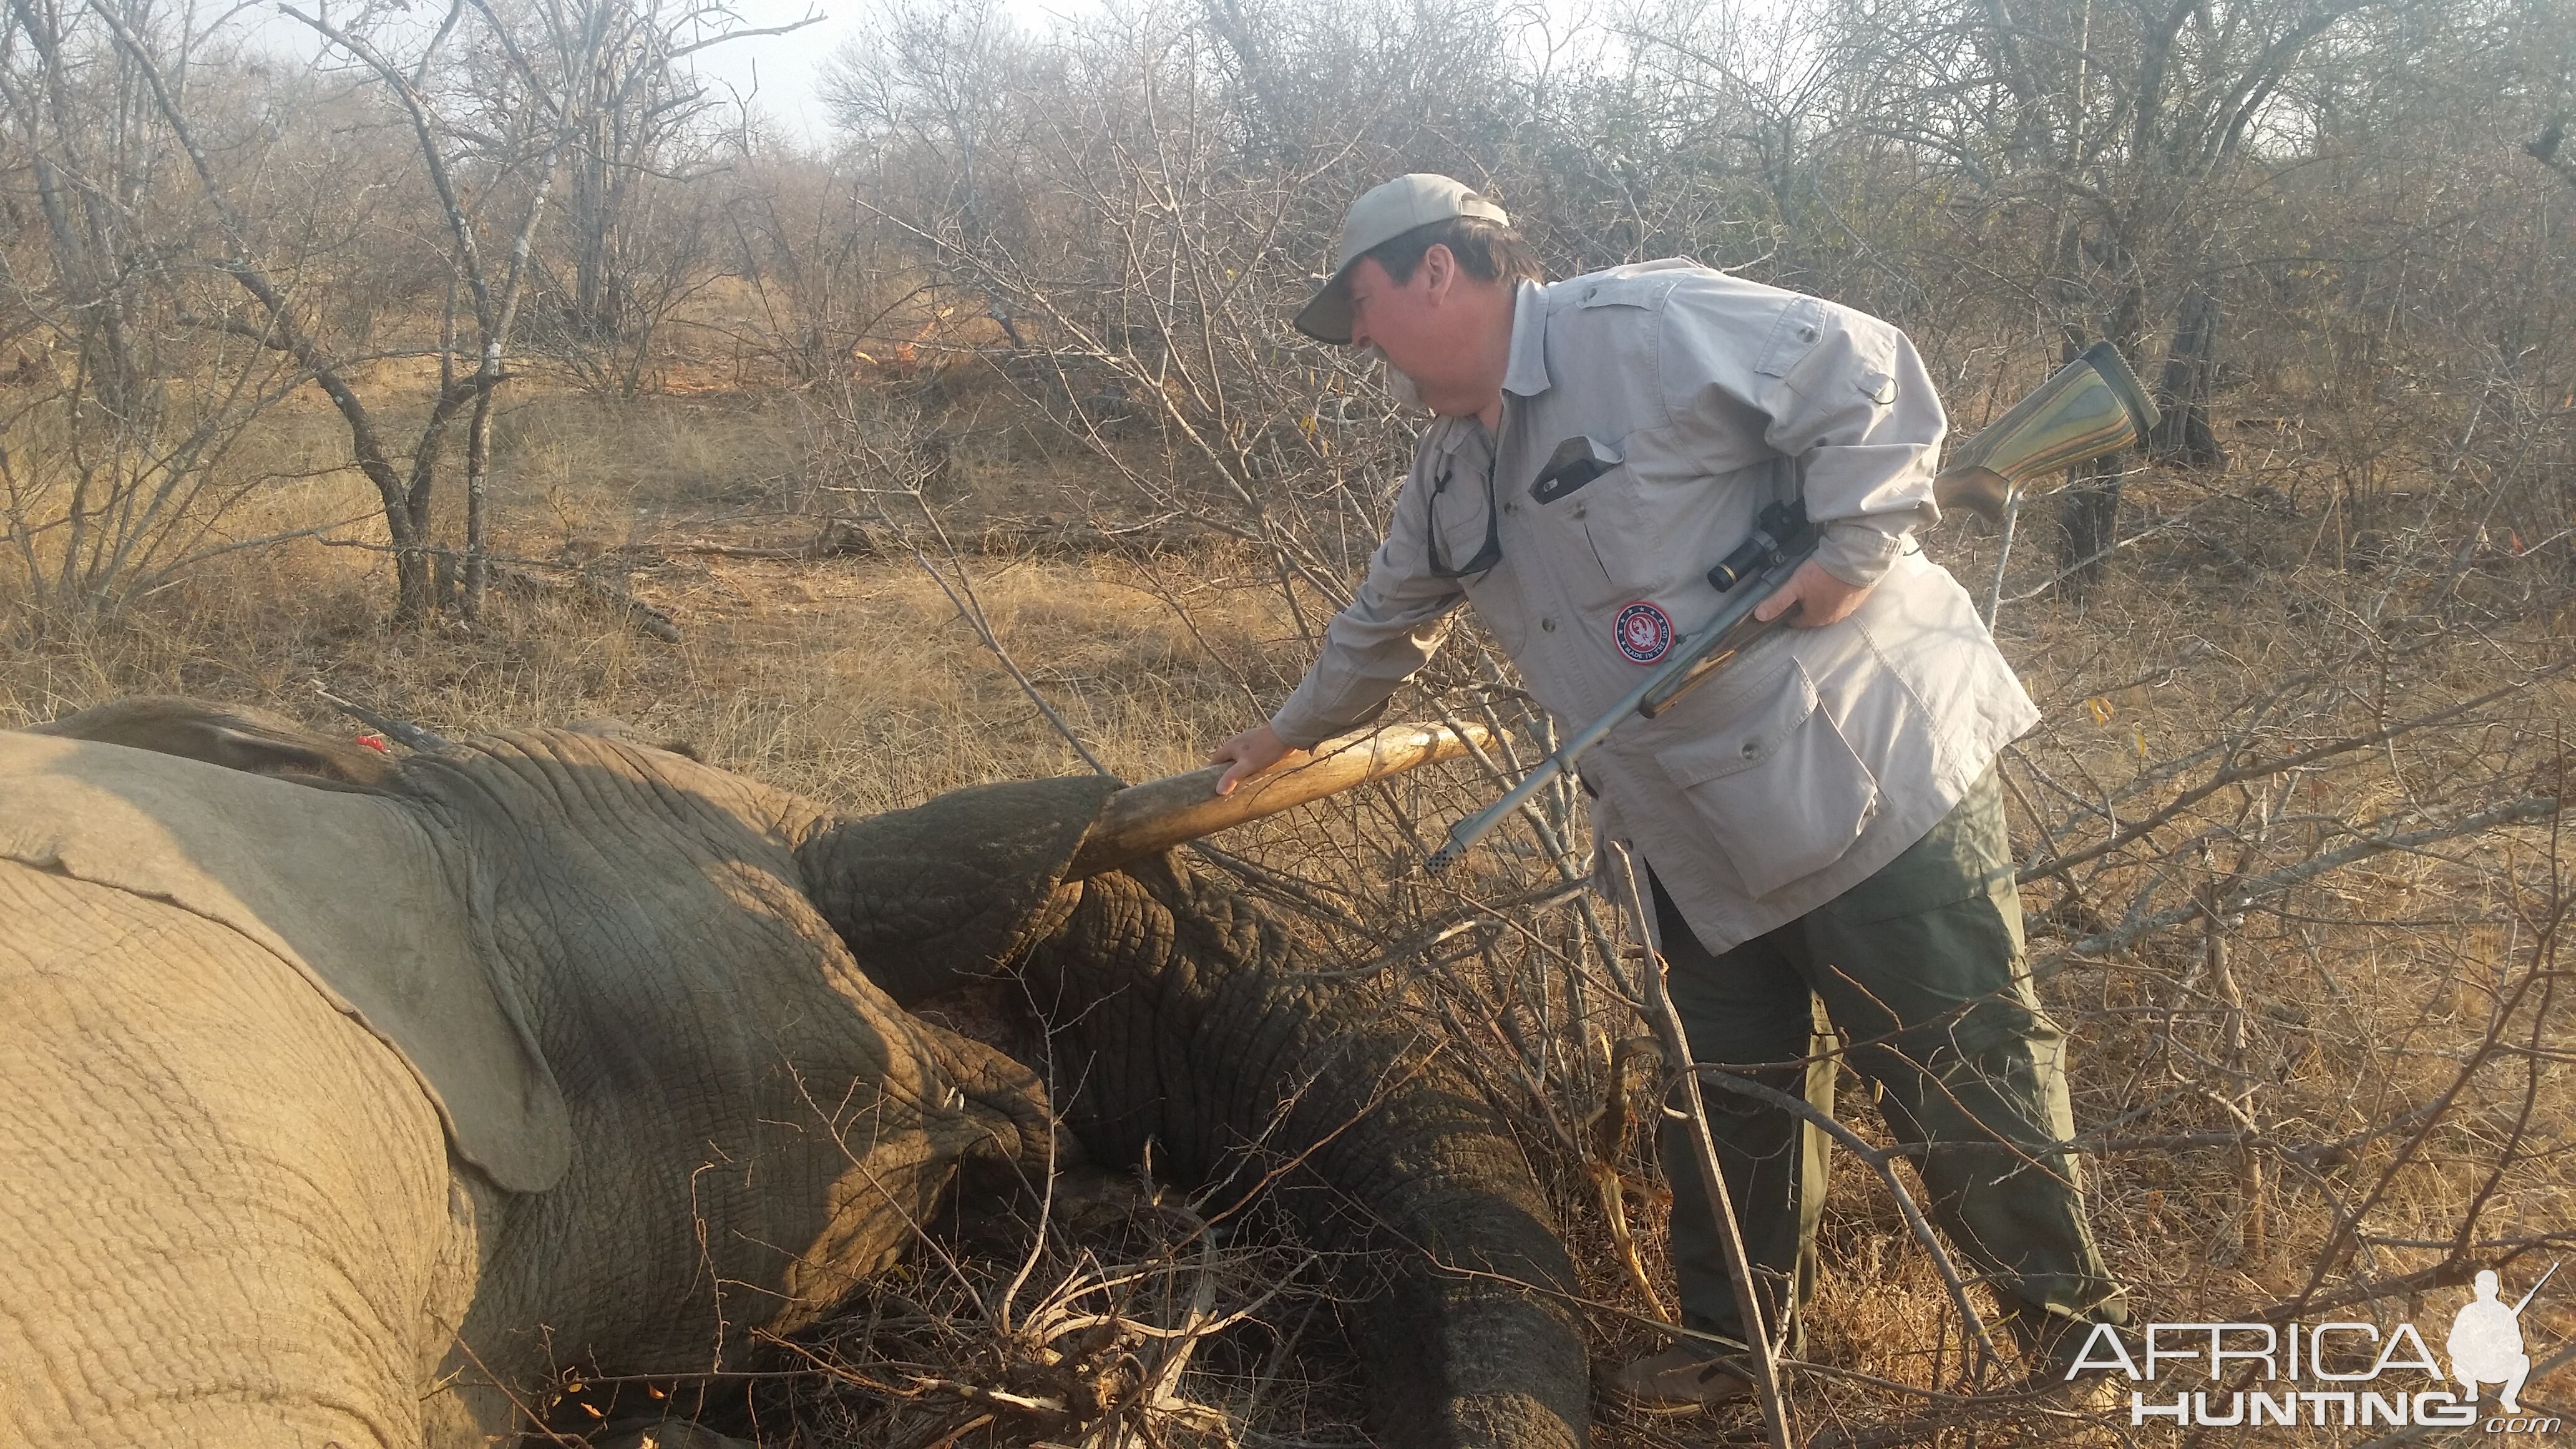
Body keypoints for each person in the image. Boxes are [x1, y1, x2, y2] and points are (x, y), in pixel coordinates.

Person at [1208, 173, 2129, 1410]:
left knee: (1963, 1073)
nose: (1360, 339)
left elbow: (1867, 368)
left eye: (1363, 304)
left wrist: (1852, 557)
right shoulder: (1444, 477)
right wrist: (1278, 734)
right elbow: (1383, 625)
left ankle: (2081, 1351)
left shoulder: (1636, 328)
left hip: (1866, 780)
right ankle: (1738, 1358)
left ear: (1439, 270)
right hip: (1694, 840)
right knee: (1727, 1111)